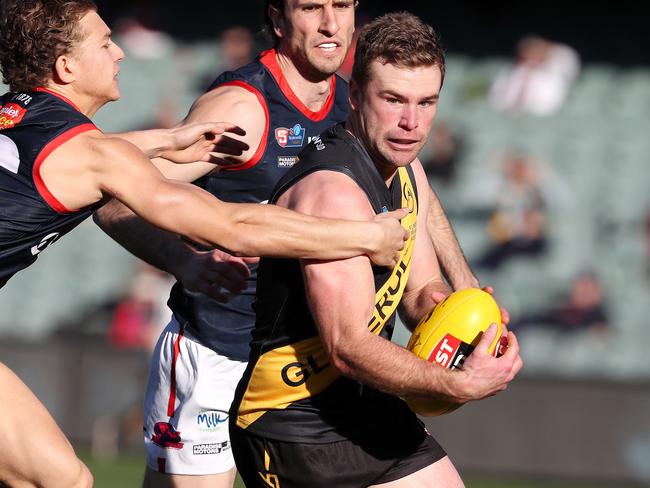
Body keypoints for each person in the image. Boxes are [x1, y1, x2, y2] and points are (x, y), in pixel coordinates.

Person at [0, 1, 409, 486]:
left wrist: (168, 140)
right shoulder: (92, 154)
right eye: (105, 42)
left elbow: (68, 155)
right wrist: (364, 236)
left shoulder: (18, 114)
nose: (121, 53)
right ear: (66, 67)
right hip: (216, 349)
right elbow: (230, 226)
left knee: (58, 480)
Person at [94, 1, 490, 486]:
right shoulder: (245, 108)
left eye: (341, 5)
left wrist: (466, 286)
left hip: (309, 374)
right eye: (311, 7)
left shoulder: (366, 104)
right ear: (278, 20)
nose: (330, 23)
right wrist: (184, 260)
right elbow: (112, 197)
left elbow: (417, 194)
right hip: (221, 353)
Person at [229, 12, 523, 487]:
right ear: (356, 95)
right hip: (292, 419)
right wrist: (455, 383)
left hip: (362, 403)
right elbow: (347, 346)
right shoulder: (335, 195)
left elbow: (420, 290)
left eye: (426, 102)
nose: (412, 122)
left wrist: (470, 329)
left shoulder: (408, 172)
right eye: (393, 100)